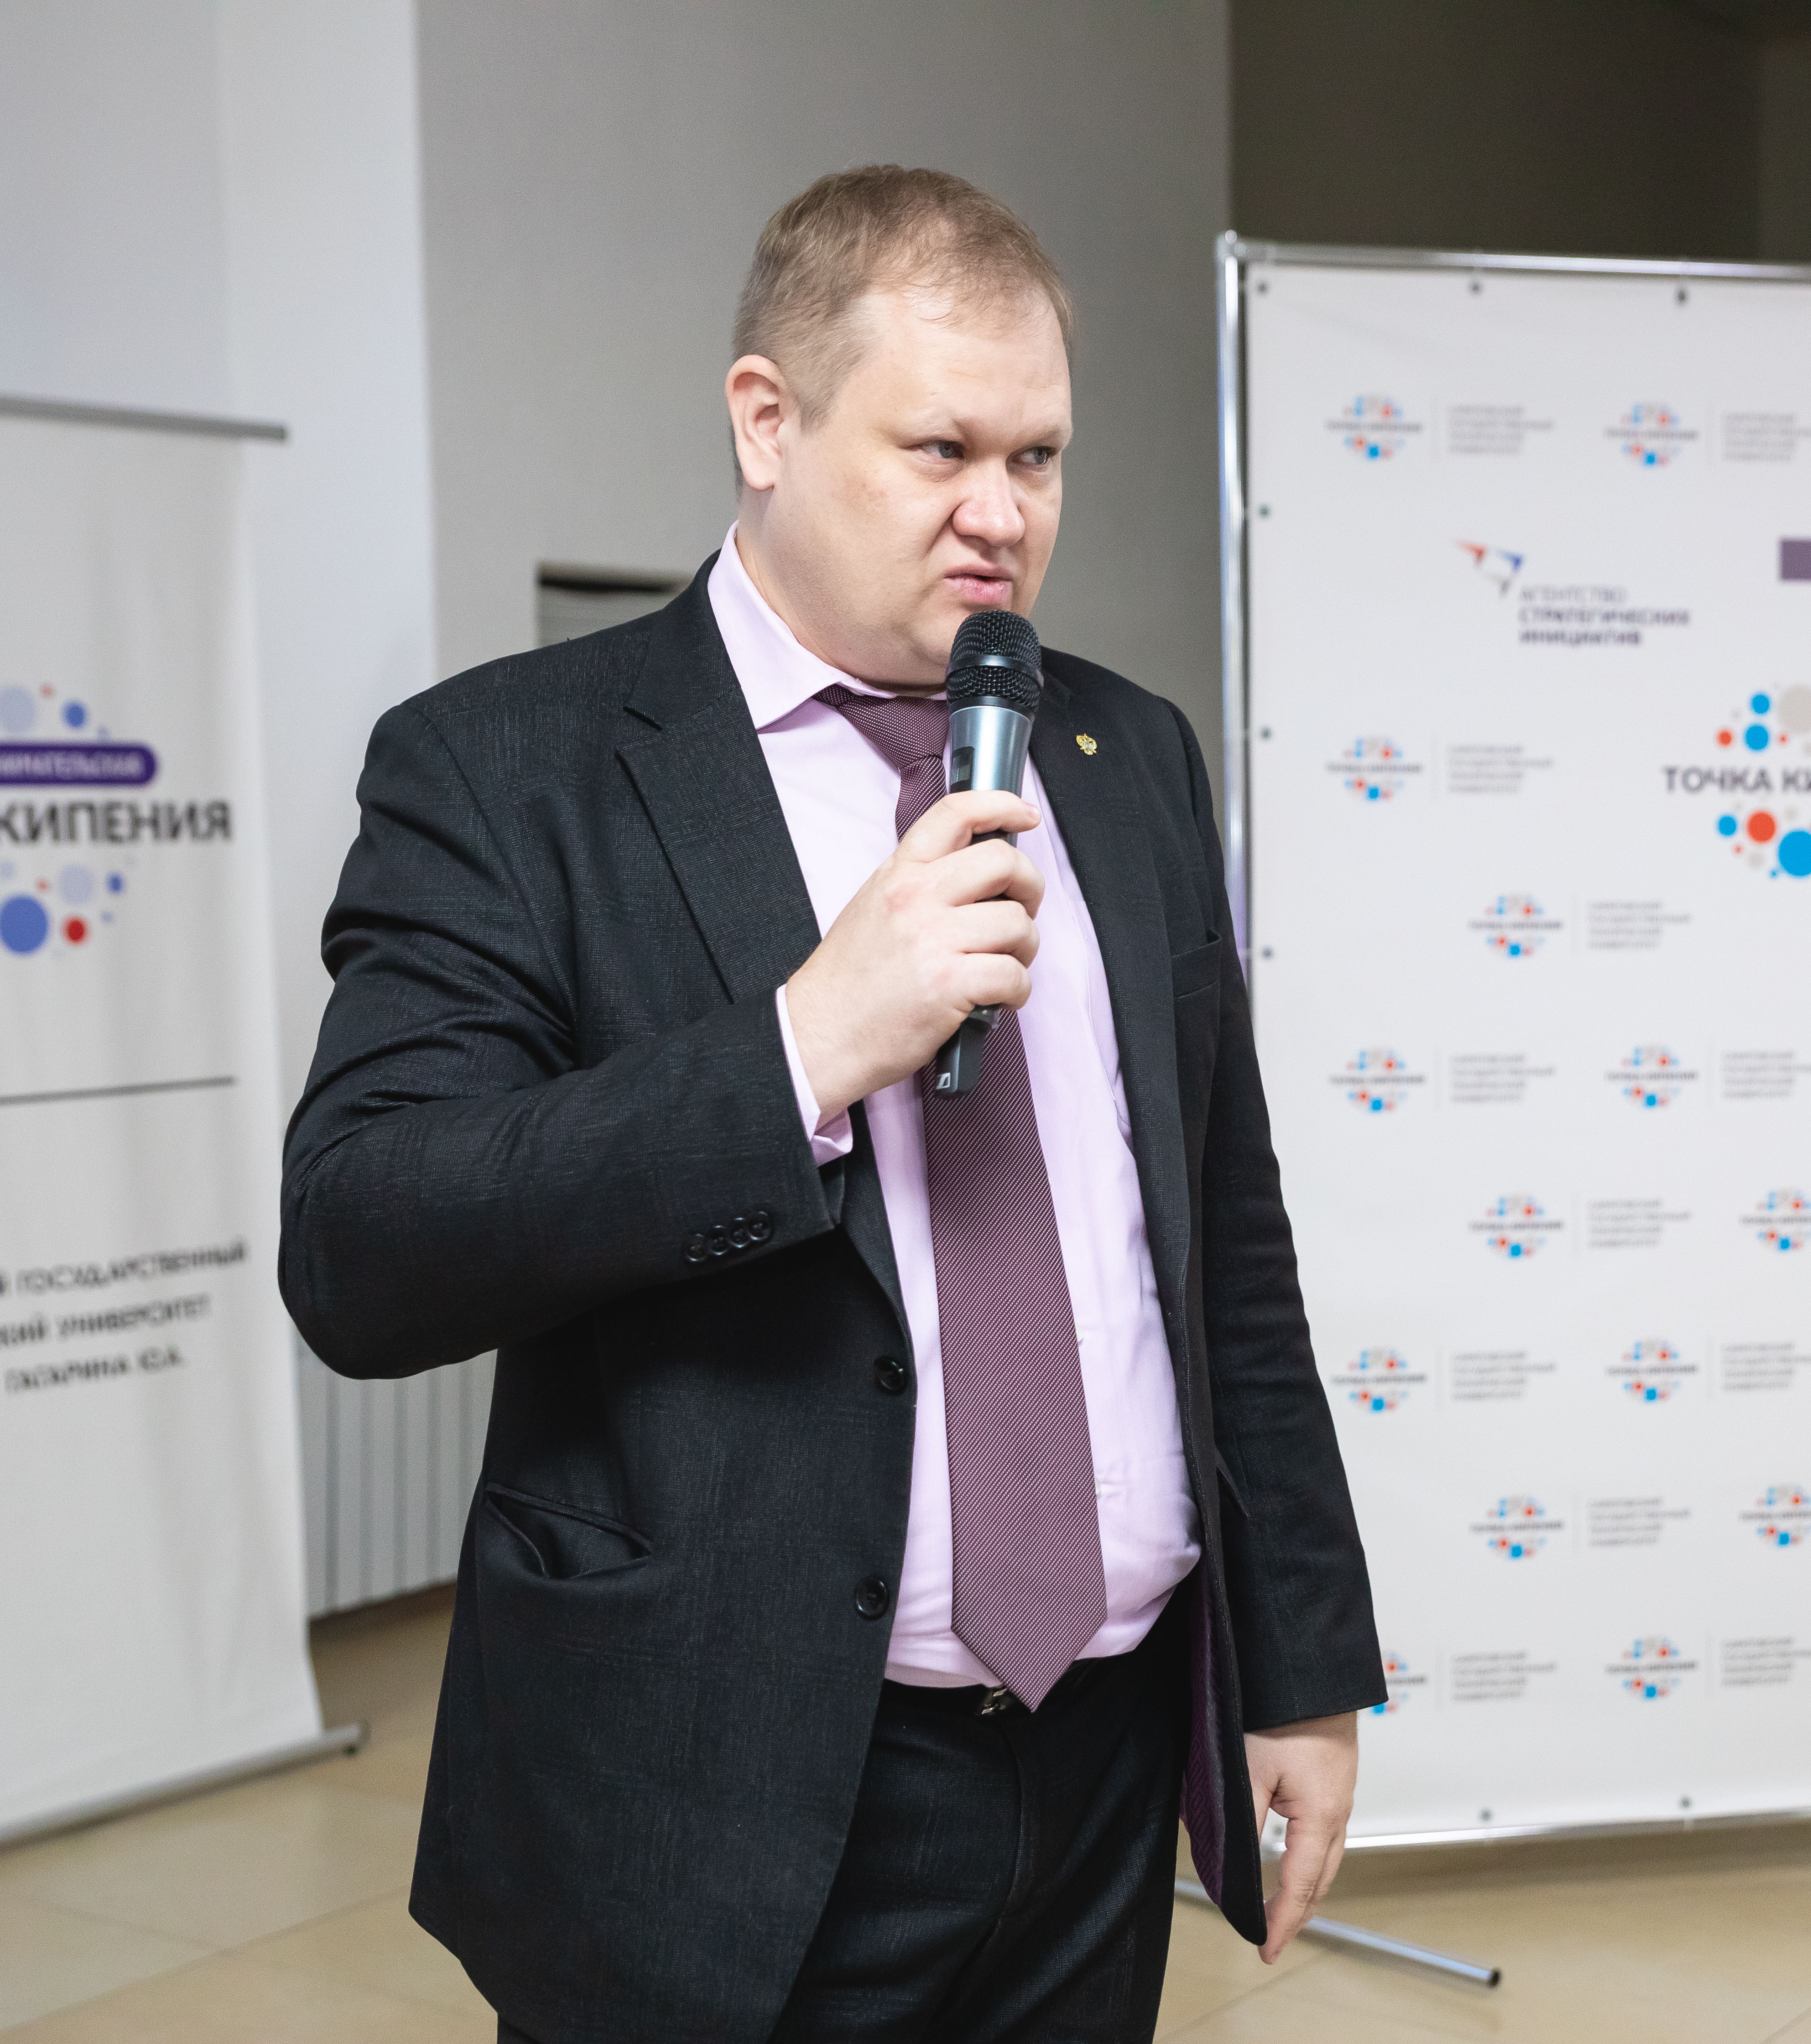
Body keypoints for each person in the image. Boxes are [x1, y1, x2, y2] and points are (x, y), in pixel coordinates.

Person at [279, 165, 1381, 2043]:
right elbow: (364, 1240)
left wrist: (1301, 1664)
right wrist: (796, 1048)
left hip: (1104, 1763)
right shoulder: (512, 766)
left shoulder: (1125, 754)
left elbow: (1226, 1244)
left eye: (1039, 458)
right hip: (713, 1786)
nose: (1001, 515)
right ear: (766, 422)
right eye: (941, 448)